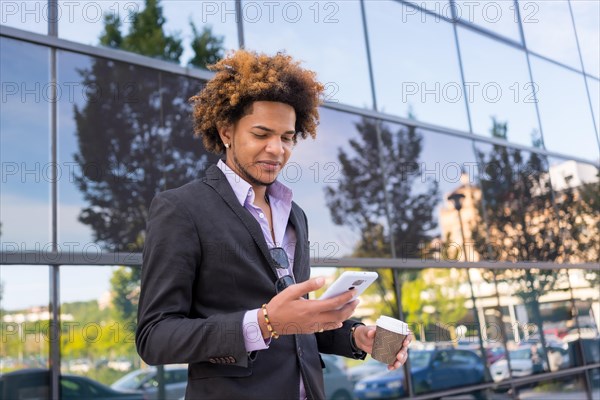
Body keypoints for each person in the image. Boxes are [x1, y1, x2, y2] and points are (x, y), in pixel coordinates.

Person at [135, 49, 412, 400]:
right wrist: (265, 322)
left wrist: (357, 336)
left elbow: (301, 325)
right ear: (225, 132)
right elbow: (154, 338)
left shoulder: (295, 214)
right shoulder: (180, 209)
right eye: (262, 134)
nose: (276, 149)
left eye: (286, 137)